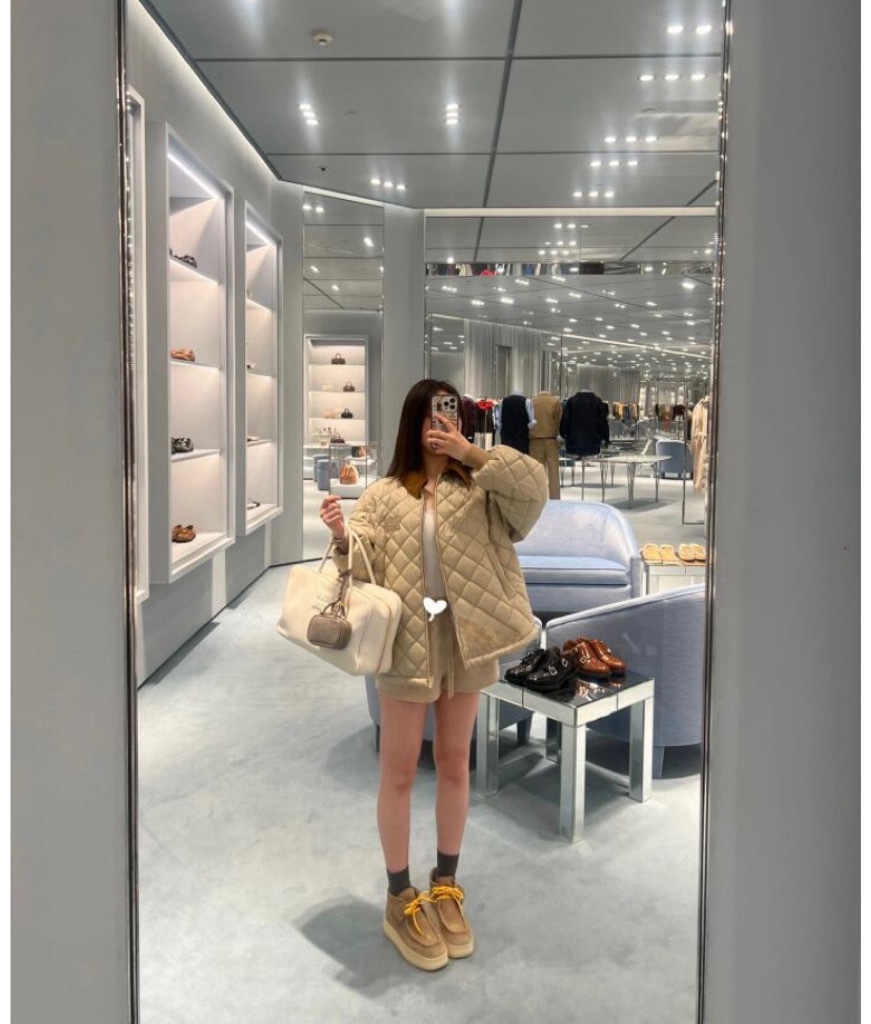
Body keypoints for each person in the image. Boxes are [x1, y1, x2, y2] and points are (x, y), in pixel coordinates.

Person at [319, 378, 548, 972]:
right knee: (398, 770)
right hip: (406, 647)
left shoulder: (484, 489)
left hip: (466, 646)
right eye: (428, 415)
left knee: (452, 762)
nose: (438, 424)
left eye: (448, 414)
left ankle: (446, 882)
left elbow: (535, 489)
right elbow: (362, 567)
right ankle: (399, 894)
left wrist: (473, 455)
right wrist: (342, 537)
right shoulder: (384, 494)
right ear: (410, 423)